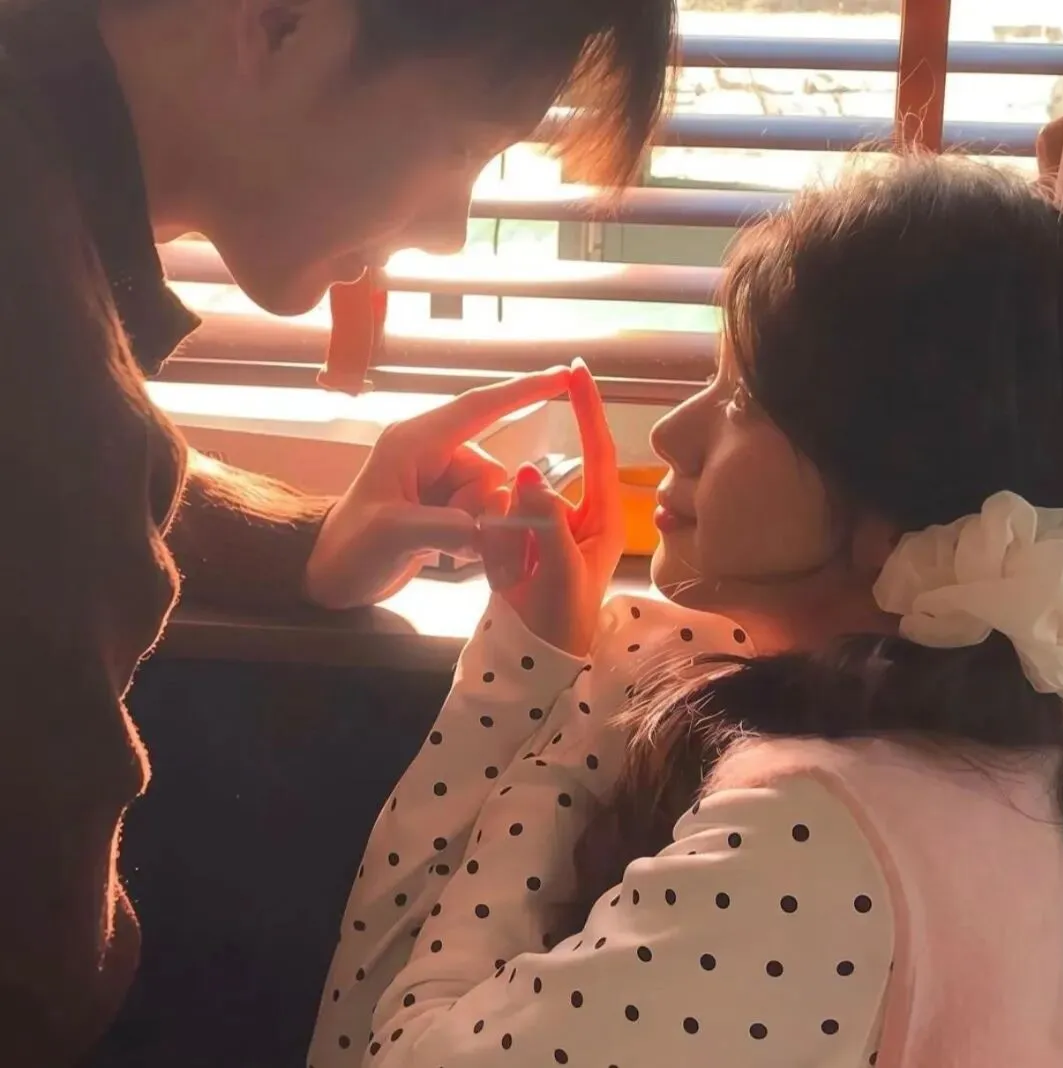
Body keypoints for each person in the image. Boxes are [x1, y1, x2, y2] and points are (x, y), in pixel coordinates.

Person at [0, 0, 677, 1063]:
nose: (450, 228)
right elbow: (32, 981)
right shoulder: (41, 370)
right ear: (281, 23)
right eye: (465, 146)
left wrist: (306, 546)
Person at [308, 154, 1063, 1067]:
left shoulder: (813, 839)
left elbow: (387, 1053)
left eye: (744, 399)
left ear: (895, 496)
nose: (674, 432)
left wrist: (556, 692)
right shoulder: (1013, 760)